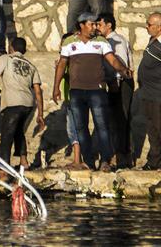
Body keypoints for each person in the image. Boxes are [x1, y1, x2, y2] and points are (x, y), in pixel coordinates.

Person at [53, 12, 129, 171]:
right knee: (81, 128)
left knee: (102, 126)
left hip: (97, 91)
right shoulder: (69, 42)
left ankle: (105, 161)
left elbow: (112, 59)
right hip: (76, 92)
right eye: (91, 24)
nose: (95, 27)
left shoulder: (101, 41)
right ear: (81, 25)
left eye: (96, 24)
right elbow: (61, 65)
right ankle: (88, 161)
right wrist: (55, 88)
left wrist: (123, 69)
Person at [0, 37, 44, 171]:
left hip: (13, 102)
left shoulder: (5, 59)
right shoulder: (31, 66)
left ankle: (4, 169)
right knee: (18, 131)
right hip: (28, 104)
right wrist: (40, 114)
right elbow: (38, 92)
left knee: (7, 135)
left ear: (11, 48)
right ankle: (24, 162)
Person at [98, 12, 134, 169]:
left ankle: (123, 158)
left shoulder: (116, 40)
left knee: (122, 120)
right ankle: (117, 155)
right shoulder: (105, 41)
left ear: (109, 25)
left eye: (100, 24)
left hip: (120, 83)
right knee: (114, 121)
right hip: (114, 83)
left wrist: (115, 81)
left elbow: (120, 64)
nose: (97, 27)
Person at [138, 13, 161, 170]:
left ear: (159, 27)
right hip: (148, 94)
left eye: (149, 24)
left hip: (158, 94)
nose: (146, 27)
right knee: (152, 130)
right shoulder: (152, 40)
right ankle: (154, 162)